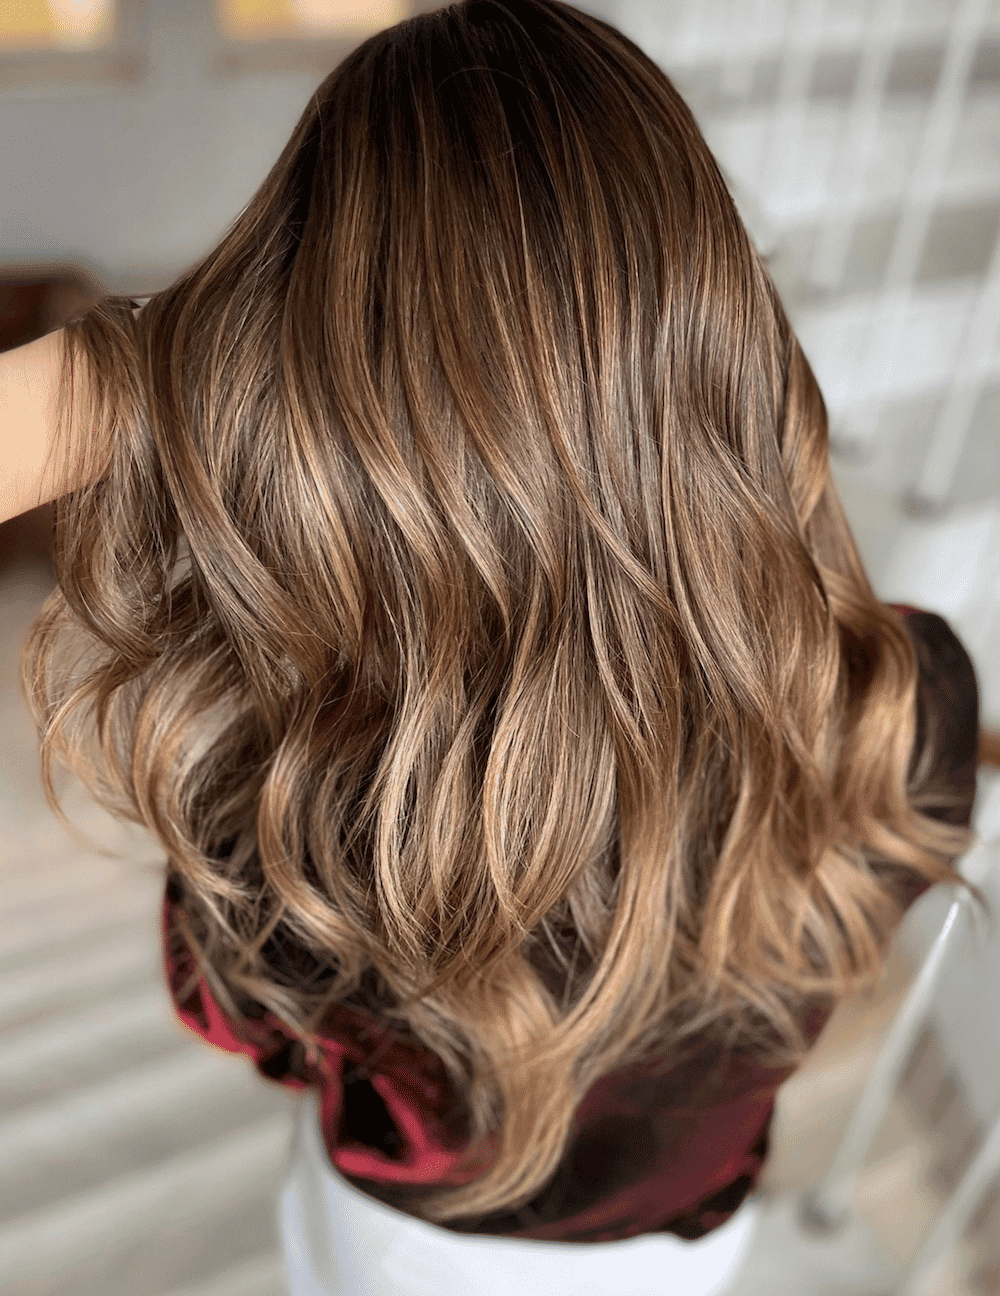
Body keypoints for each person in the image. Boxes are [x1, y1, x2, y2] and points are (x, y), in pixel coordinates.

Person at [1, 1, 990, 1292]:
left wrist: (141, 374)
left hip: (401, 1250)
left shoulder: (301, 797)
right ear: (720, 321)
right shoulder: (905, 704)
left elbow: (241, 1015)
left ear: (306, 376)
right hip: (689, 1247)